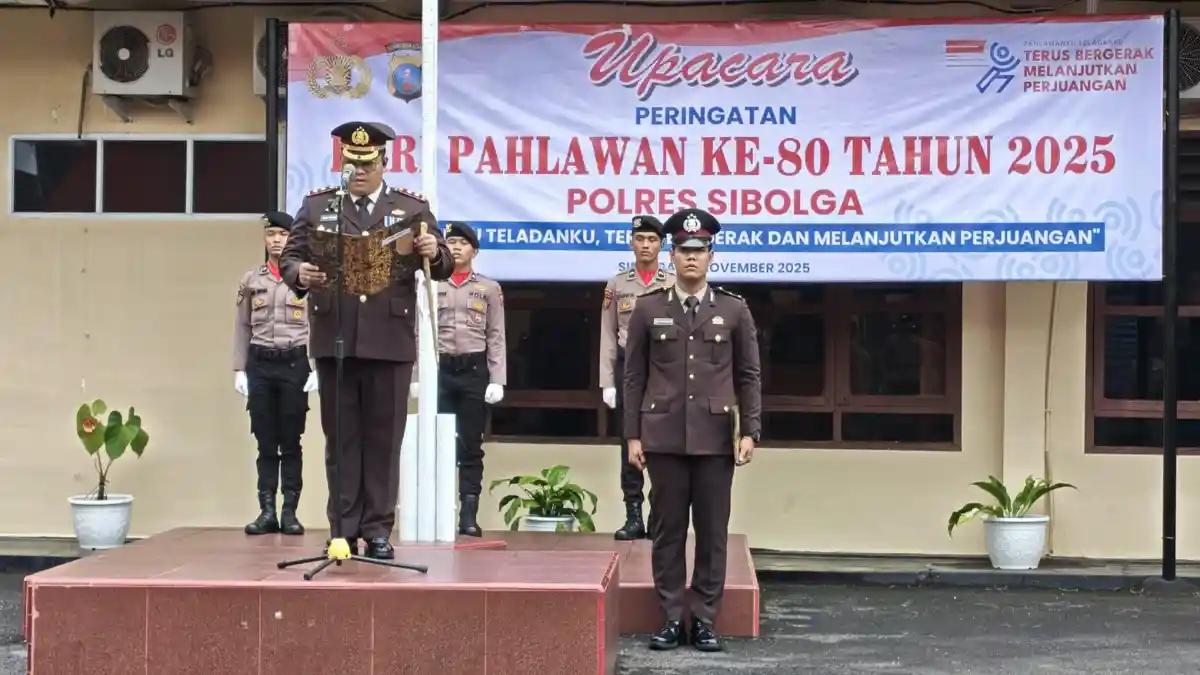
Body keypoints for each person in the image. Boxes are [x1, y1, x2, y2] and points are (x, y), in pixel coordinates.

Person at [279, 121, 453, 560]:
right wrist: (299, 273)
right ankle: (342, 529)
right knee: (341, 440)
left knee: (383, 441)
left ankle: (377, 529)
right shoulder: (318, 206)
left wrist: (434, 251)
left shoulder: (410, 208)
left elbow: (445, 264)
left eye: (367, 163)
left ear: (384, 163)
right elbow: (289, 258)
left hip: (389, 341)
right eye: (351, 162)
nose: (358, 171)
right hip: (335, 336)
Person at [622, 208, 762, 653]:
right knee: (667, 532)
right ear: (672, 255)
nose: (691, 258)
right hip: (663, 436)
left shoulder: (734, 309)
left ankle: (703, 620)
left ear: (711, 256)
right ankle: (669, 618)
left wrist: (750, 430)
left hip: (716, 438)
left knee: (712, 533)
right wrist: (632, 435)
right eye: (683, 250)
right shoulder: (649, 308)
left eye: (699, 251)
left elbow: (748, 375)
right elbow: (634, 377)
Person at [233, 211, 319, 536]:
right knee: (265, 441)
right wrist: (239, 369)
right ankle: (267, 511)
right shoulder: (251, 280)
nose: (277, 241)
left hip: (294, 363)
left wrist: (317, 366)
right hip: (260, 364)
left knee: (291, 441)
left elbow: (319, 324)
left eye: (283, 235)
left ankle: (290, 512)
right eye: (271, 235)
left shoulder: (307, 279)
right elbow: (242, 326)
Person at [423, 221, 507, 536]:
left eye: (463, 243)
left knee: (470, 445)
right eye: (451, 242)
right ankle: (437, 512)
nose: (456, 248)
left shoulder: (488, 288)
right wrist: (418, 375)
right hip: (440, 370)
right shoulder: (430, 283)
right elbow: (418, 331)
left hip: (474, 370)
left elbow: (496, 335)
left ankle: (468, 515)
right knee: (436, 445)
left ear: (475, 250)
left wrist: (497, 378)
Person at [598, 215, 675, 540]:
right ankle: (633, 516)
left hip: (664, 368)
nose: (645, 245)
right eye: (640, 239)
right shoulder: (617, 285)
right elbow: (607, 333)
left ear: (662, 245)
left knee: (663, 440)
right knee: (628, 441)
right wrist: (607, 381)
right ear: (631, 243)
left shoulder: (672, 282)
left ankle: (658, 515)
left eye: (652, 240)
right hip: (628, 368)